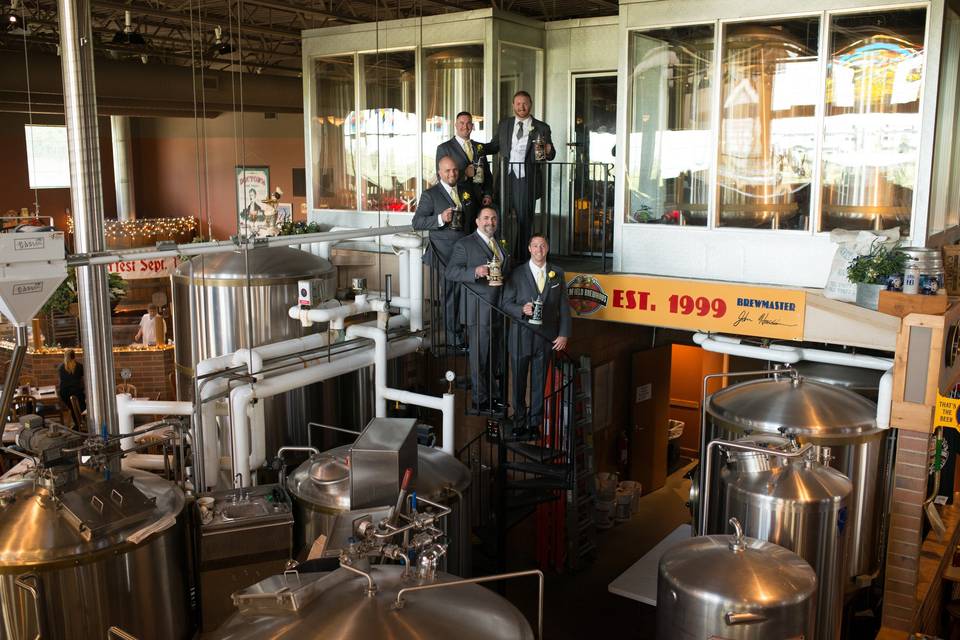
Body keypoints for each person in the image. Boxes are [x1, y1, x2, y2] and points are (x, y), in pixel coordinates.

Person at [502, 234, 570, 434]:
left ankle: (534, 423)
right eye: (535, 245)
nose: (539, 249)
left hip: (546, 337)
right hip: (520, 336)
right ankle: (519, 421)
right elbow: (505, 303)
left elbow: (564, 307)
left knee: (539, 382)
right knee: (519, 382)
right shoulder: (516, 273)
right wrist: (521, 309)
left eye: (542, 245)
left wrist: (564, 334)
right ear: (529, 249)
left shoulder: (557, 273)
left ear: (547, 248)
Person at [446, 207, 511, 414]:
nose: (490, 222)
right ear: (476, 221)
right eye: (485, 218)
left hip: (498, 308)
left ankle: (492, 395)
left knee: (494, 357)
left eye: (493, 218)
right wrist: (475, 271)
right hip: (477, 309)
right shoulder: (465, 244)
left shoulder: (500, 244)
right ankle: (479, 399)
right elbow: (451, 272)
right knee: (479, 357)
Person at [483, 90, 556, 262]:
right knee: (498, 219)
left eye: (524, 103)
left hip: (526, 180)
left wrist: (548, 150)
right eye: (518, 103)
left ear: (530, 105)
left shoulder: (542, 127)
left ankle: (521, 259)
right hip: (505, 179)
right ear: (513, 105)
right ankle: (501, 256)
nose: (521, 107)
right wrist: (472, 146)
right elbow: (494, 146)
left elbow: (551, 154)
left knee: (524, 221)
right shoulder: (505, 124)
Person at [413, 156, 476, 349]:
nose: (452, 174)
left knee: (464, 295)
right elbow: (417, 223)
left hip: (465, 252)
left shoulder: (466, 190)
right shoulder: (430, 195)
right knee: (449, 296)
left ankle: (463, 333)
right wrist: (440, 218)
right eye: (447, 171)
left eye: (455, 170)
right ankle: (453, 339)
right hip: (443, 253)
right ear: (439, 173)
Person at [435, 111, 494, 220]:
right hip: (459, 204)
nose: (465, 127)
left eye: (468, 123)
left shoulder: (479, 147)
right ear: (456, 125)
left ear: (472, 126)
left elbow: (487, 175)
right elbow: (441, 178)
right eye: (461, 123)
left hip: (480, 202)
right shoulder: (444, 148)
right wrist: (464, 174)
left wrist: (487, 194)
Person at [57, 349, 86, 414]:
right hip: (77, 393)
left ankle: (77, 420)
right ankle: (81, 420)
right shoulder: (79, 366)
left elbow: (61, 382)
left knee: (72, 408)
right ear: (74, 356)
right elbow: (83, 379)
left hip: (64, 394)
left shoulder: (61, 367)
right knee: (82, 407)